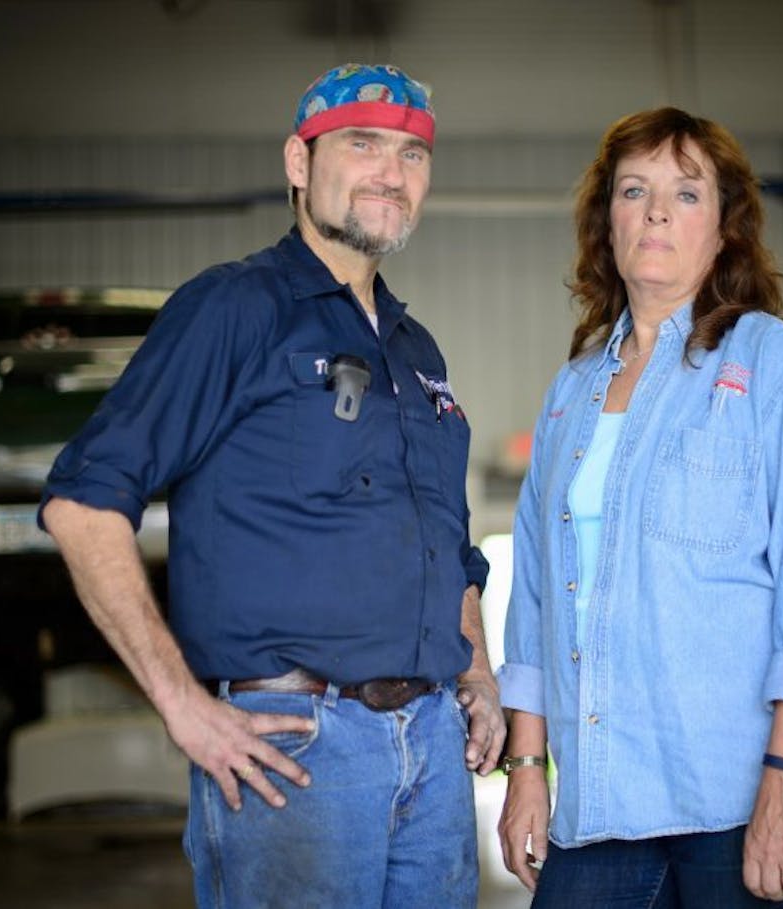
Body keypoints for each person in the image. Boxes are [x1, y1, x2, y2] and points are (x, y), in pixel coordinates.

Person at [39, 63, 505, 909]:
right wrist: (182, 705)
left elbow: (442, 532)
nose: (390, 173)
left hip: (434, 753)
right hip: (298, 752)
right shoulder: (233, 309)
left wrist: (478, 673)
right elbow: (83, 505)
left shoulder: (415, 350)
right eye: (362, 145)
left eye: (411, 153)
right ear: (299, 163)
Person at [495, 107, 783, 907]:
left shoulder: (776, 369)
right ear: (609, 224)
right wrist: (528, 768)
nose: (658, 211)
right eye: (634, 190)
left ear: (725, 229)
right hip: (607, 800)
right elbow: (533, 600)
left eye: (687, 192)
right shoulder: (570, 396)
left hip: (748, 787)